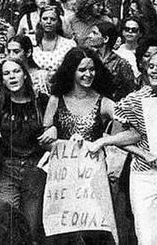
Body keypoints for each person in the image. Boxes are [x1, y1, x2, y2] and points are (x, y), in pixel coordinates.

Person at [93, 50, 157, 244]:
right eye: (151, 67)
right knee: (147, 236)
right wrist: (142, 153)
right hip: (143, 174)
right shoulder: (133, 101)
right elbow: (117, 135)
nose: (154, 71)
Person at [37, 47, 118, 243]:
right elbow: (44, 143)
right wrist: (51, 134)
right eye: (82, 70)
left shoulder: (104, 102)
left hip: (92, 178)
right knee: (63, 233)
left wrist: (104, 141)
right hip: (62, 179)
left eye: (92, 69)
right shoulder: (57, 100)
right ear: (71, 71)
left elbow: (124, 132)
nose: (88, 74)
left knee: (93, 232)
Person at [0, 58, 46, 244]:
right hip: (6, 169)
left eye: (16, 71)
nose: (12, 77)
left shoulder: (40, 101)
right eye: (7, 73)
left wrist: (52, 129)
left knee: (29, 228)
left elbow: (53, 120)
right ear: (2, 79)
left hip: (34, 170)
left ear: (25, 74)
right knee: (5, 226)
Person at [86, 21, 135, 101]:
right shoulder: (89, 59)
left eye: (95, 33)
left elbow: (130, 90)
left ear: (105, 39)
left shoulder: (121, 64)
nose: (89, 36)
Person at [32, 6, 76, 79]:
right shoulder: (31, 42)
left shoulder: (68, 45)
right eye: (45, 19)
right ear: (40, 21)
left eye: (53, 19)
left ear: (58, 22)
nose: (48, 22)